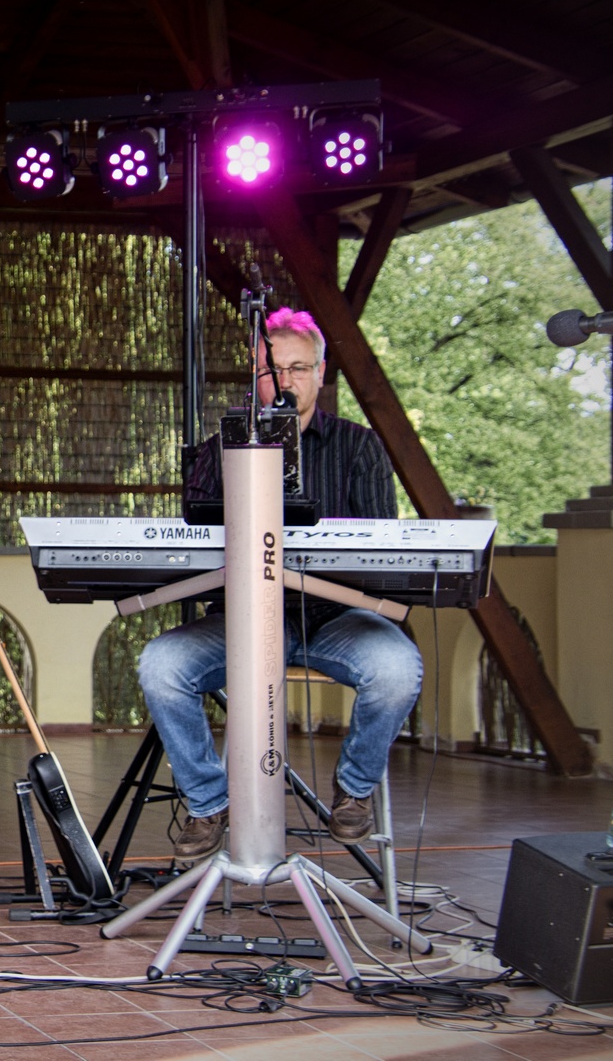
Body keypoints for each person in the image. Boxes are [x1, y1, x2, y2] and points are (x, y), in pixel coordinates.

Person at [137, 307, 422, 863]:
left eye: (299, 368)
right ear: (255, 379)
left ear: (320, 373)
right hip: (243, 620)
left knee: (397, 670)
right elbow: (195, 547)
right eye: (273, 371)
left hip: (337, 620)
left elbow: (379, 548)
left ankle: (354, 789)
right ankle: (208, 802)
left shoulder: (359, 447)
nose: (286, 381)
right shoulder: (218, 450)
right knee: (161, 665)